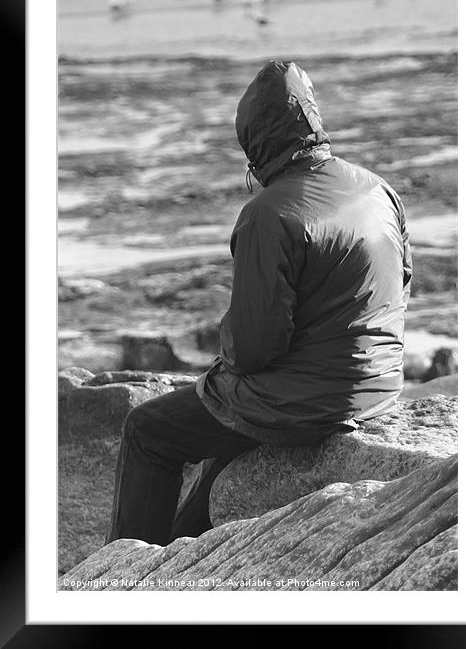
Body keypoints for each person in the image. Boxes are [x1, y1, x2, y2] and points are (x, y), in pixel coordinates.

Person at [105, 60, 412, 547]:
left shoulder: (269, 214)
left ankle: (122, 580)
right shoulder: (378, 189)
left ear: (256, 141)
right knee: (223, 430)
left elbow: (253, 349)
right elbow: (404, 280)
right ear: (311, 121)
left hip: (306, 403)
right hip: (380, 385)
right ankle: (186, 545)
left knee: (148, 429)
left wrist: (223, 360)